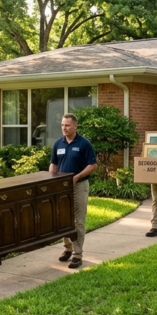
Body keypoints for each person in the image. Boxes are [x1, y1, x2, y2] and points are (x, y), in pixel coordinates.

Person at [49, 113, 97, 269]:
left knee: (78, 221)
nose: (64, 128)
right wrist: (52, 180)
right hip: (62, 187)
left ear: (75, 126)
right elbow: (53, 164)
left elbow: (92, 165)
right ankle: (68, 249)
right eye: (62, 125)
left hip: (79, 186)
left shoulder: (84, 144)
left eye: (67, 125)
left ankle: (77, 254)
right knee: (63, 220)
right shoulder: (58, 144)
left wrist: (77, 177)